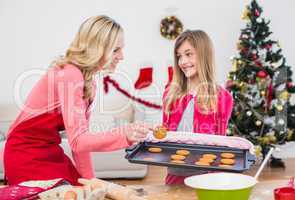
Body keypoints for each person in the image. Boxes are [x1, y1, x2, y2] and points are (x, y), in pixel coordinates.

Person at [3, 15, 152, 186]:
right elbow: (79, 141)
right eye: (115, 50)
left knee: (82, 190)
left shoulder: (88, 81)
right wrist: (124, 133)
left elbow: (80, 144)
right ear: (97, 48)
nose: (122, 56)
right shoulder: (69, 73)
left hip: (48, 150)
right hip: (26, 153)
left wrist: (90, 182)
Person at [162, 30, 234, 185]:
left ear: (204, 55)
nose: (182, 61)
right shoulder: (170, 93)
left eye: (189, 54)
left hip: (208, 178)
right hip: (175, 176)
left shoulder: (222, 97)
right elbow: (165, 135)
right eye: (179, 56)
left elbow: (220, 143)